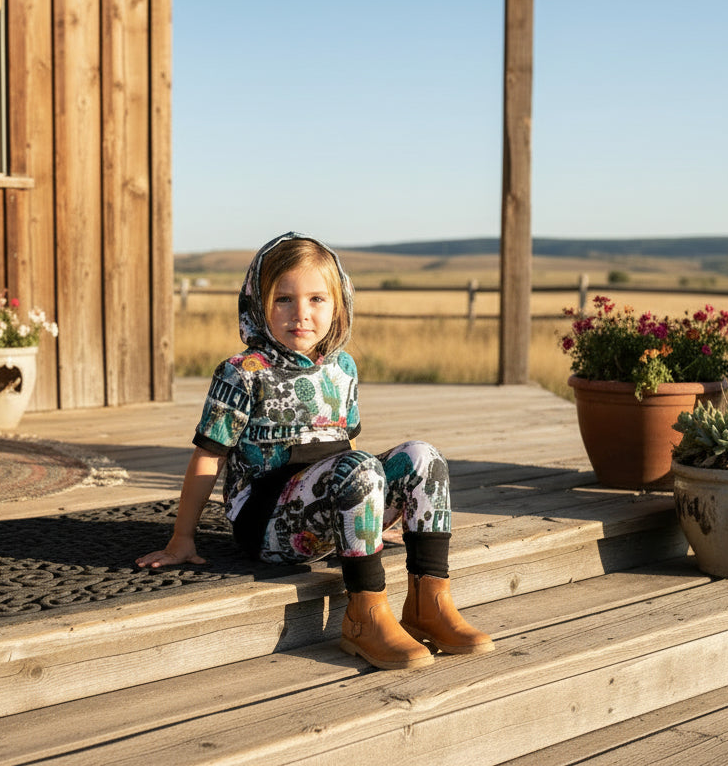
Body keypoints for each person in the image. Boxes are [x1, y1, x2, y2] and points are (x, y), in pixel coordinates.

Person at [136, 232, 492, 670]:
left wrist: (368, 518)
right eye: (283, 299)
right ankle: (363, 616)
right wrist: (181, 539)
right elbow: (209, 457)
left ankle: (428, 605)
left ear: (338, 305)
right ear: (257, 303)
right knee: (358, 468)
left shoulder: (342, 367)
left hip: (332, 509)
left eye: (317, 299)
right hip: (268, 524)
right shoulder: (243, 373)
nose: (300, 313)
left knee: (424, 456)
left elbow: (347, 444)